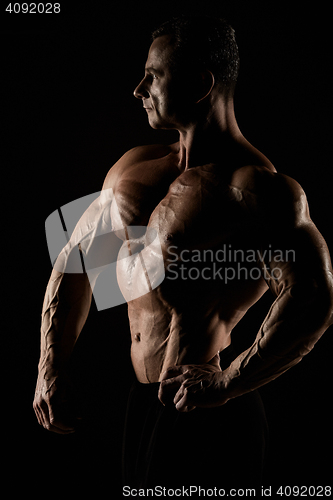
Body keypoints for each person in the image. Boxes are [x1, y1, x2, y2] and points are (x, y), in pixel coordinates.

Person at [33, 16, 333, 488]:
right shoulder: (132, 169)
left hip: (209, 414)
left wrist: (229, 382)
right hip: (140, 407)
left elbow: (313, 296)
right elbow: (74, 258)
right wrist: (49, 367)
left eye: (153, 75)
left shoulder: (256, 189)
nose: (138, 89)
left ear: (199, 83)